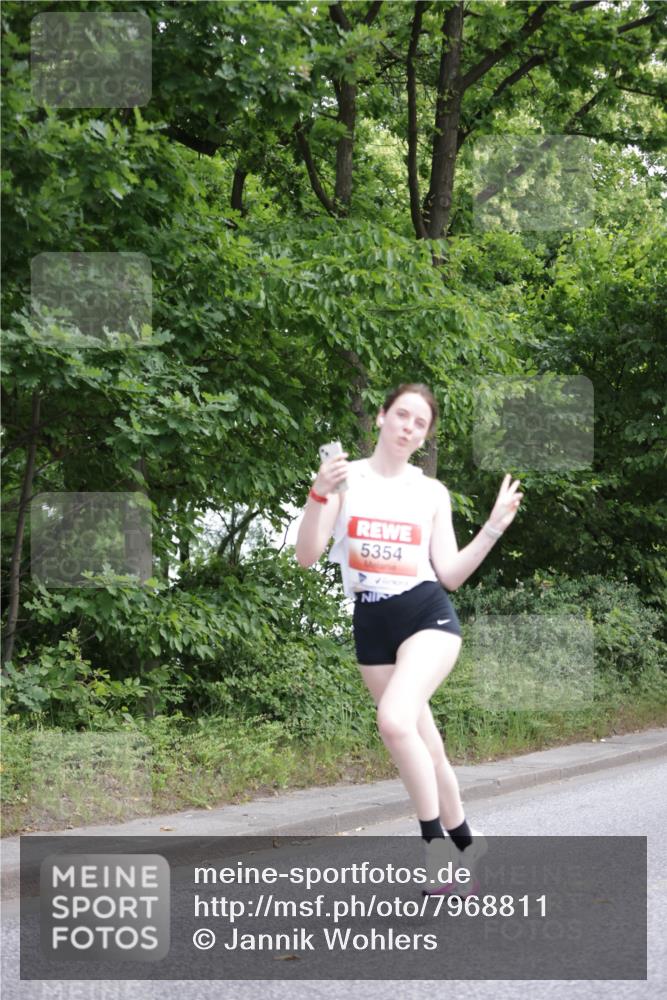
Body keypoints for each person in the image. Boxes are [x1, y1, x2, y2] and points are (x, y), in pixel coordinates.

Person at [294, 383, 524, 895]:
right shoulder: (346, 478)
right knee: (426, 745)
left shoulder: (431, 493)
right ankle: (465, 839)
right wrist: (318, 493)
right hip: (371, 623)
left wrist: (491, 528)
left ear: (424, 436)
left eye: (419, 424)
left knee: (395, 722)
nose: (408, 428)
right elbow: (307, 555)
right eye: (401, 415)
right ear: (381, 417)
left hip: (426, 615)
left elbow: (451, 574)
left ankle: (435, 847)